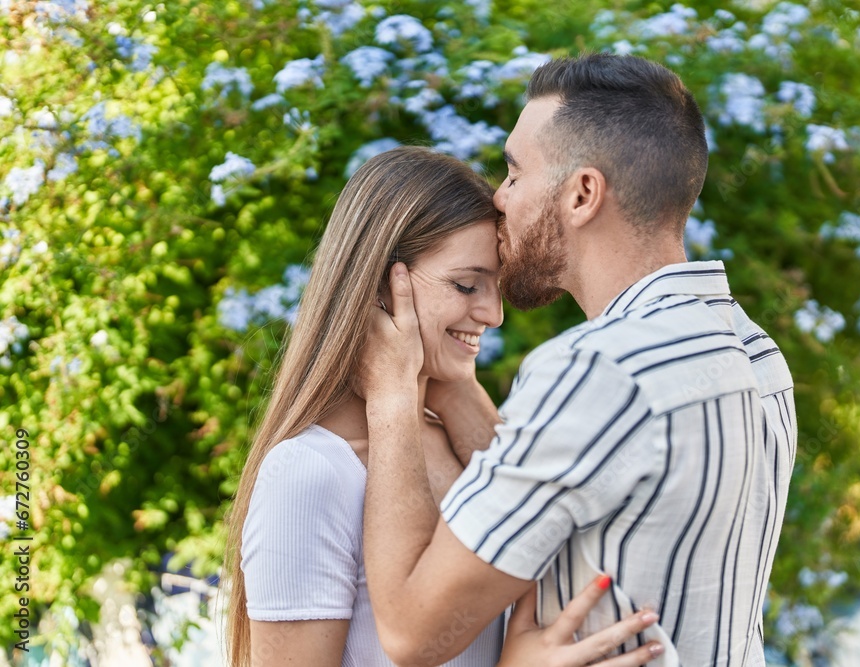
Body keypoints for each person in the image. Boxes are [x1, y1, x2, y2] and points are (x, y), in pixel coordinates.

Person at [358, 54, 797, 667]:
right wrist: (450, 385)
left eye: (515, 174)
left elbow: (411, 630)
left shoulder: (601, 371)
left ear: (583, 194)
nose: (499, 198)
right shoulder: (754, 352)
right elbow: (554, 492)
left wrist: (391, 395)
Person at [222, 146, 664, 667]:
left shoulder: (453, 439)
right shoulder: (309, 472)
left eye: (496, 287)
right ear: (381, 286)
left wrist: (447, 385)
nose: (494, 314)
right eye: (466, 285)